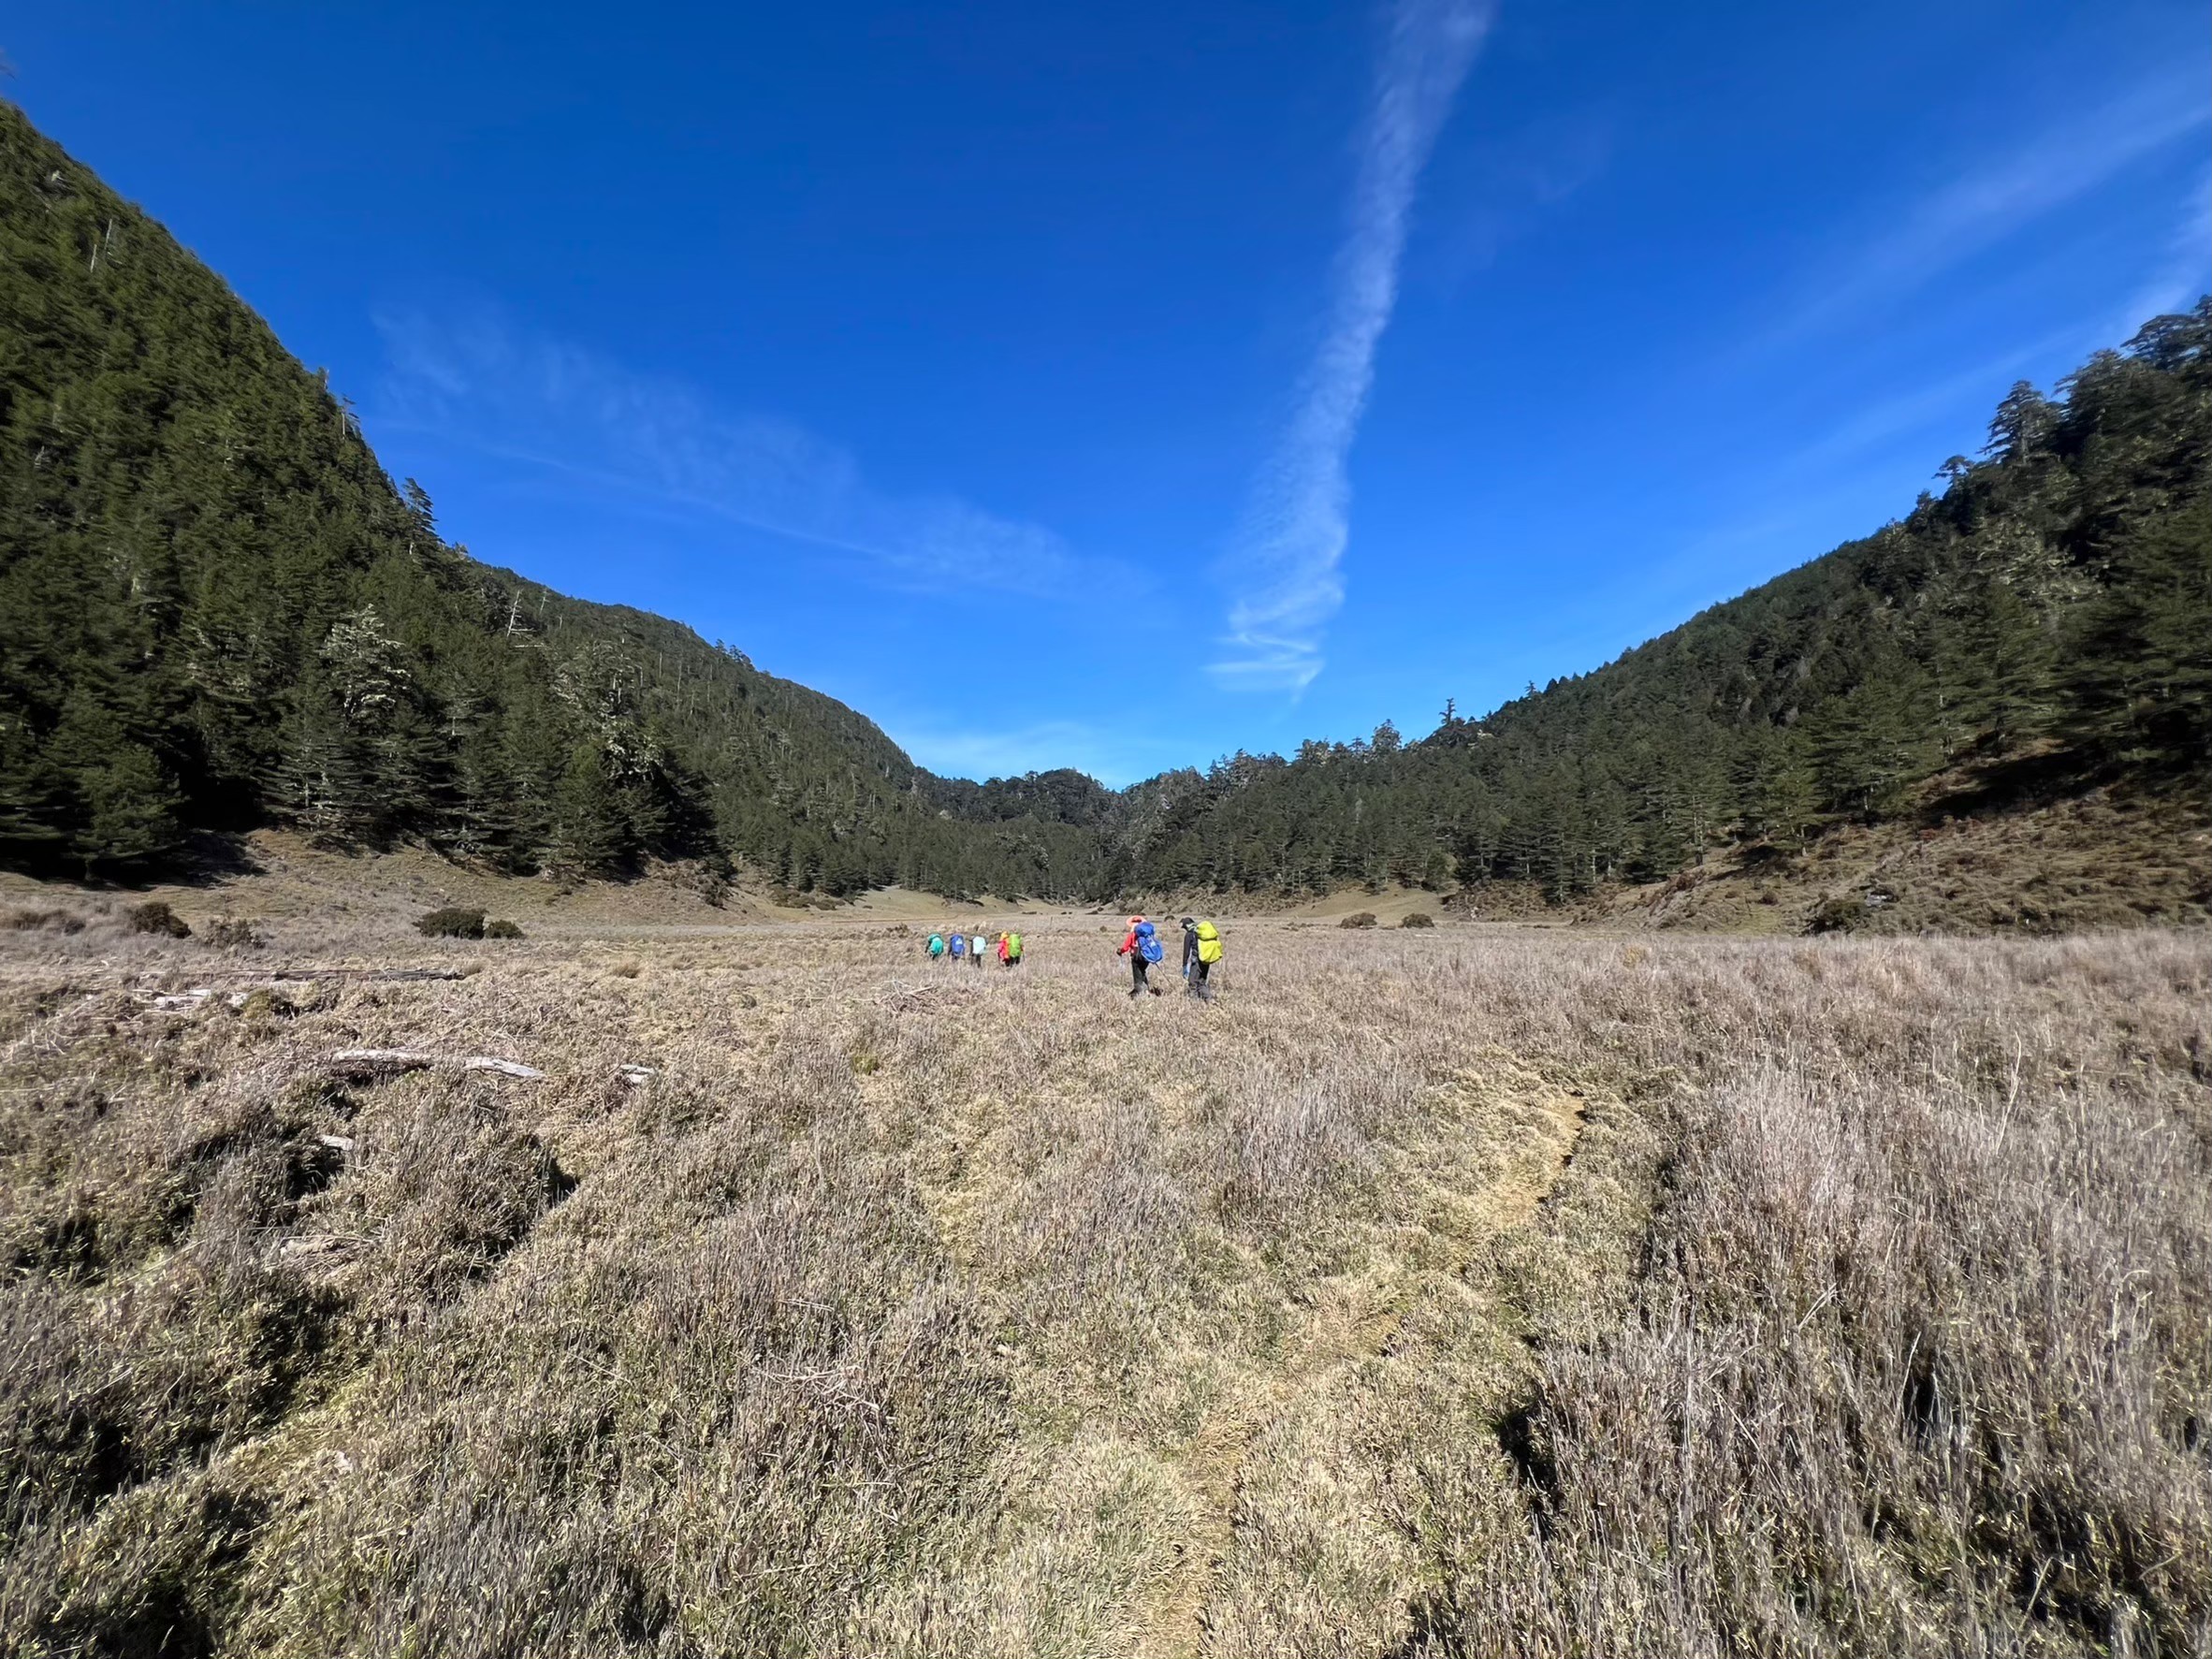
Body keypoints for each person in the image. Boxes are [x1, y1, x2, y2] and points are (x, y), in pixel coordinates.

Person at [1117, 915, 1164, 997]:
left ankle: (1140, 992)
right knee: (1143, 972)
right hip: (1146, 956)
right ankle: (1146, 990)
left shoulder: (1133, 934)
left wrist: (1120, 951)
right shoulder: (1146, 933)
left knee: (1137, 974)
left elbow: (1126, 947)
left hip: (1136, 956)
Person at [1187, 917, 1221, 1000]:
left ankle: (1194, 1003)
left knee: (1193, 982)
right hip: (1207, 959)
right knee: (1202, 982)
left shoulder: (1193, 935)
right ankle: (1210, 999)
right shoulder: (1207, 937)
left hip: (1198, 959)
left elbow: (1188, 949)